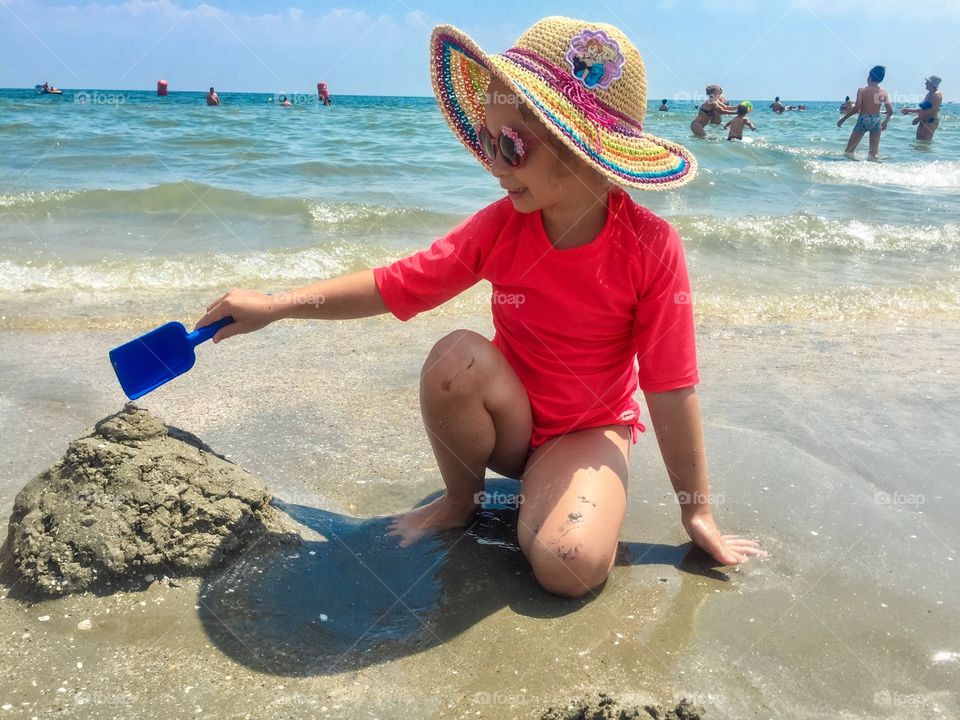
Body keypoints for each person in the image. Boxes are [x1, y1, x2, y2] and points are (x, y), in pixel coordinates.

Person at [193, 17, 765, 599]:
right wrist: (277, 305)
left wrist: (697, 514)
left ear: (581, 147)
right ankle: (460, 501)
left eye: (511, 145)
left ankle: (557, 496)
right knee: (456, 359)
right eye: (489, 143)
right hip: (511, 422)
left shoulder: (648, 247)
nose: (494, 163)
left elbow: (669, 386)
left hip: (590, 429)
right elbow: (397, 284)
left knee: (567, 565)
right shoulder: (500, 228)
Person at [837, 65, 893, 160]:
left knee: (849, 151)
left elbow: (857, 108)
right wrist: (885, 122)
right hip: (876, 120)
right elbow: (890, 111)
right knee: (873, 153)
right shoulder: (883, 92)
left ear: (870, 77)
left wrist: (843, 119)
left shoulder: (862, 90)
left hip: (864, 119)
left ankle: (851, 168)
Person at [900, 75, 942, 140]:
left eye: (927, 82)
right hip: (924, 120)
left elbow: (934, 110)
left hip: (930, 121)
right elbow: (924, 109)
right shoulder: (929, 94)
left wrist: (918, 118)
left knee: (924, 142)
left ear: (931, 84)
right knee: (919, 142)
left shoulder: (936, 95)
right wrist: (909, 110)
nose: (925, 83)